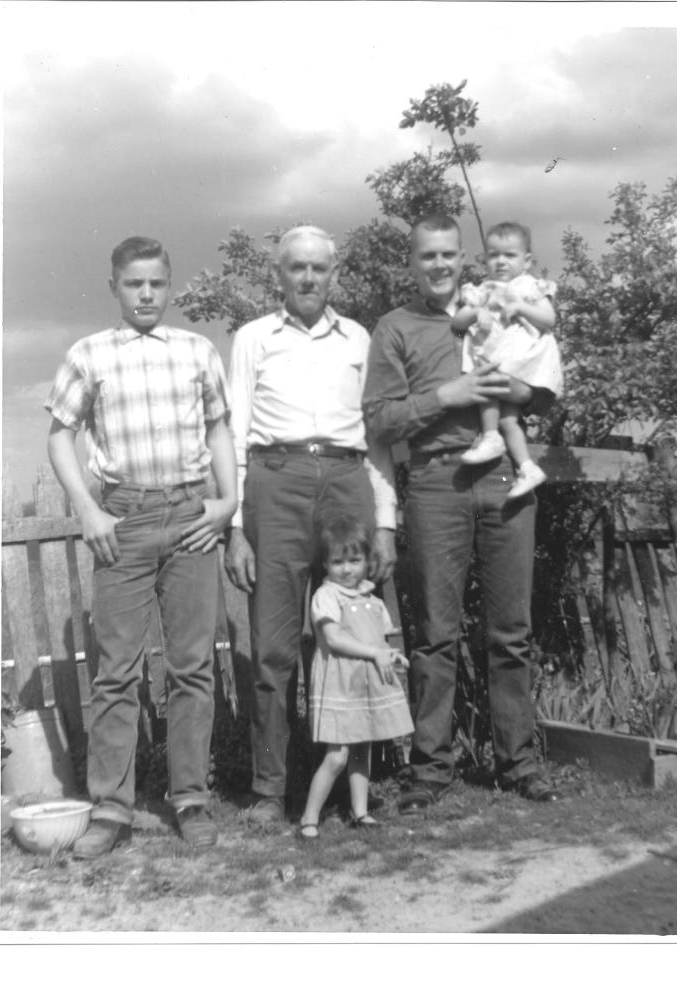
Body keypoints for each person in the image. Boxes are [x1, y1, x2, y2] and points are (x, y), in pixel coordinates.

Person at [45, 235, 237, 858]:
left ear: (170, 285)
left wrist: (228, 500)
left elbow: (219, 429)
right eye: (134, 284)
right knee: (117, 672)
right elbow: (59, 438)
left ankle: (190, 799)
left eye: (156, 282)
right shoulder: (89, 353)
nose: (146, 294)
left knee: (191, 666)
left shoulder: (196, 350)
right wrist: (89, 511)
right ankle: (111, 808)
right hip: (122, 519)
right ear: (115, 288)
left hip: (189, 516)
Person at [363, 213, 558, 811]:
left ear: (461, 257)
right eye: (428, 257)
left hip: (503, 476)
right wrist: (447, 396)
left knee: (510, 629)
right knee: (436, 633)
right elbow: (379, 419)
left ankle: (519, 763)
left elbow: (541, 383)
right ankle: (431, 768)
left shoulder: (496, 304)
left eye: (449, 255)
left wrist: (527, 396)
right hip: (434, 478)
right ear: (413, 263)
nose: (440, 266)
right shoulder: (395, 328)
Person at [225, 225, 397, 826]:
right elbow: (235, 432)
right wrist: (236, 527)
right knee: (273, 644)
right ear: (279, 276)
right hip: (276, 478)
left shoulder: (359, 337)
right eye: (296, 268)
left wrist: (386, 523)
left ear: (334, 275)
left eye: (318, 269)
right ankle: (271, 787)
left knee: (356, 632)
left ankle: (366, 773)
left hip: (347, 479)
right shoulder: (253, 338)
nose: (307, 278)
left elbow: (376, 436)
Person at [298, 515, 413, 840]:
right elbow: (334, 639)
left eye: (354, 560)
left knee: (363, 750)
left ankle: (360, 812)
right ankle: (309, 817)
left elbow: (379, 642)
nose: (346, 569)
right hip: (341, 683)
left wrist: (391, 656)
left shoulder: (373, 602)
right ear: (325, 563)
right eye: (337, 562)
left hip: (366, 685)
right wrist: (375, 653)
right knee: (337, 755)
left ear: (367, 561)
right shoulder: (327, 597)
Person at [453, 221, 563, 497]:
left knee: (488, 381)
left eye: (509, 255)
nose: (501, 261)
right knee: (508, 421)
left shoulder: (529, 286)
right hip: (502, 357)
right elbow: (457, 322)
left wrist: (521, 307)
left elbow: (549, 319)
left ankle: (490, 437)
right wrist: (476, 312)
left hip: (521, 361)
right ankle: (527, 467)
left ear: (526, 261)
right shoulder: (484, 289)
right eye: (494, 255)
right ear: (485, 259)